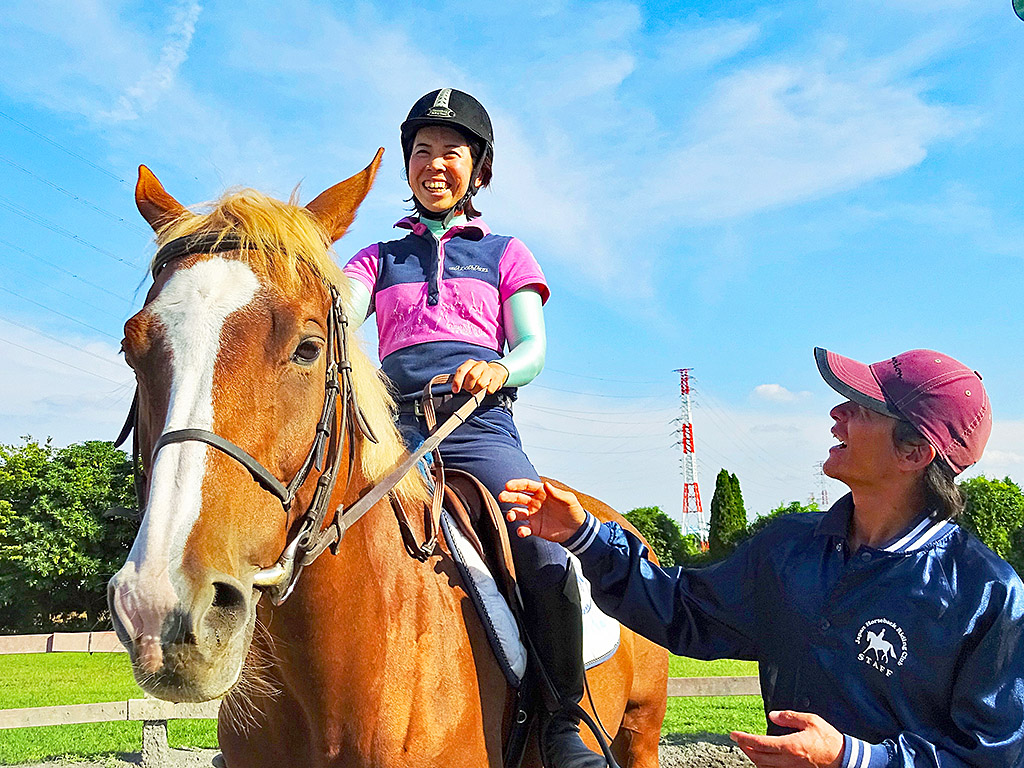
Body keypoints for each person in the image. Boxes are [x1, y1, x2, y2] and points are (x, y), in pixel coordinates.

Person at [501, 347, 1024, 768]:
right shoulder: (789, 547)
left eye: (861, 408)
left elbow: (993, 757)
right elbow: (684, 611)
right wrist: (585, 535)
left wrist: (852, 757)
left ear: (914, 454)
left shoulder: (990, 597)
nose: (835, 413)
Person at [343, 88, 606, 767]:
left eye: (450, 153)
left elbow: (533, 349)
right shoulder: (374, 259)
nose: (434, 164)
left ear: (477, 169)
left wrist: (499, 369)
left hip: (477, 427)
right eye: (421, 152)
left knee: (542, 551)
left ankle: (561, 723)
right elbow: (340, 316)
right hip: (392, 432)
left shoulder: (506, 252)